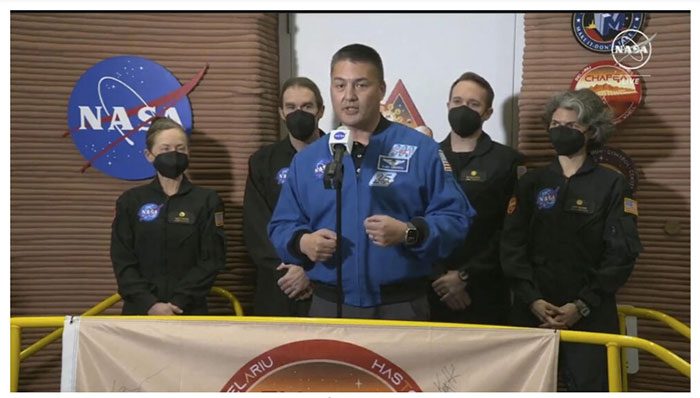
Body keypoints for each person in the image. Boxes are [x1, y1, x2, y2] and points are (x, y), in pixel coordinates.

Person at [269, 43, 475, 321]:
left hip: (402, 304)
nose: (349, 97)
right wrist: (302, 242)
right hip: (328, 304)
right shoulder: (308, 159)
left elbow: (456, 218)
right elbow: (282, 225)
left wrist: (408, 232)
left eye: (361, 85)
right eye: (340, 86)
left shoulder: (420, 150)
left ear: (381, 89)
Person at [500, 88, 642, 391]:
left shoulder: (611, 184)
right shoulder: (531, 182)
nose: (560, 132)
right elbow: (511, 246)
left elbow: (621, 254)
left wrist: (582, 305)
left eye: (570, 126)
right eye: (554, 125)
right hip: (531, 313)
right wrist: (532, 299)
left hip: (590, 314)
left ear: (590, 131)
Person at [430, 72, 524, 325]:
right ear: (448, 105)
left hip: (486, 291)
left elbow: (511, 231)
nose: (463, 109)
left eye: (473, 104)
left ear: (488, 113)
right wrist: (439, 278)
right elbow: (412, 220)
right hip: (431, 291)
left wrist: (464, 276)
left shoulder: (508, 161)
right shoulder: (426, 157)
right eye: (457, 101)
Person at [111, 117, 227, 315]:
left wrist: (179, 302)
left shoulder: (207, 200)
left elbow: (212, 259)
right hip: (140, 312)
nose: (174, 154)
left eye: (180, 149)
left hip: (188, 311)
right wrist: (150, 304)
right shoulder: (130, 201)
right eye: (165, 149)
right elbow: (122, 260)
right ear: (149, 155)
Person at [243, 77, 325, 316]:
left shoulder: (342, 156)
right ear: (281, 112)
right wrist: (290, 269)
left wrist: (310, 271)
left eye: (307, 107)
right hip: (280, 281)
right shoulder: (263, 161)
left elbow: (347, 219)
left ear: (321, 111)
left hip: (327, 284)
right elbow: (256, 224)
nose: (298, 113)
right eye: (291, 107)